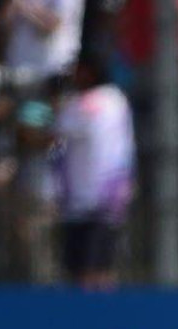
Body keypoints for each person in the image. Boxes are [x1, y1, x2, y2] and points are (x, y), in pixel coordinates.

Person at [53, 48, 133, 287]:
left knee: (88, 271)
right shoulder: (118, 100)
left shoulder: (88, 104)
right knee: (101, 268)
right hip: (106, 201)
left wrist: (28, 113)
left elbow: (50, 130)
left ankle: (91, 320)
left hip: (90, 201)